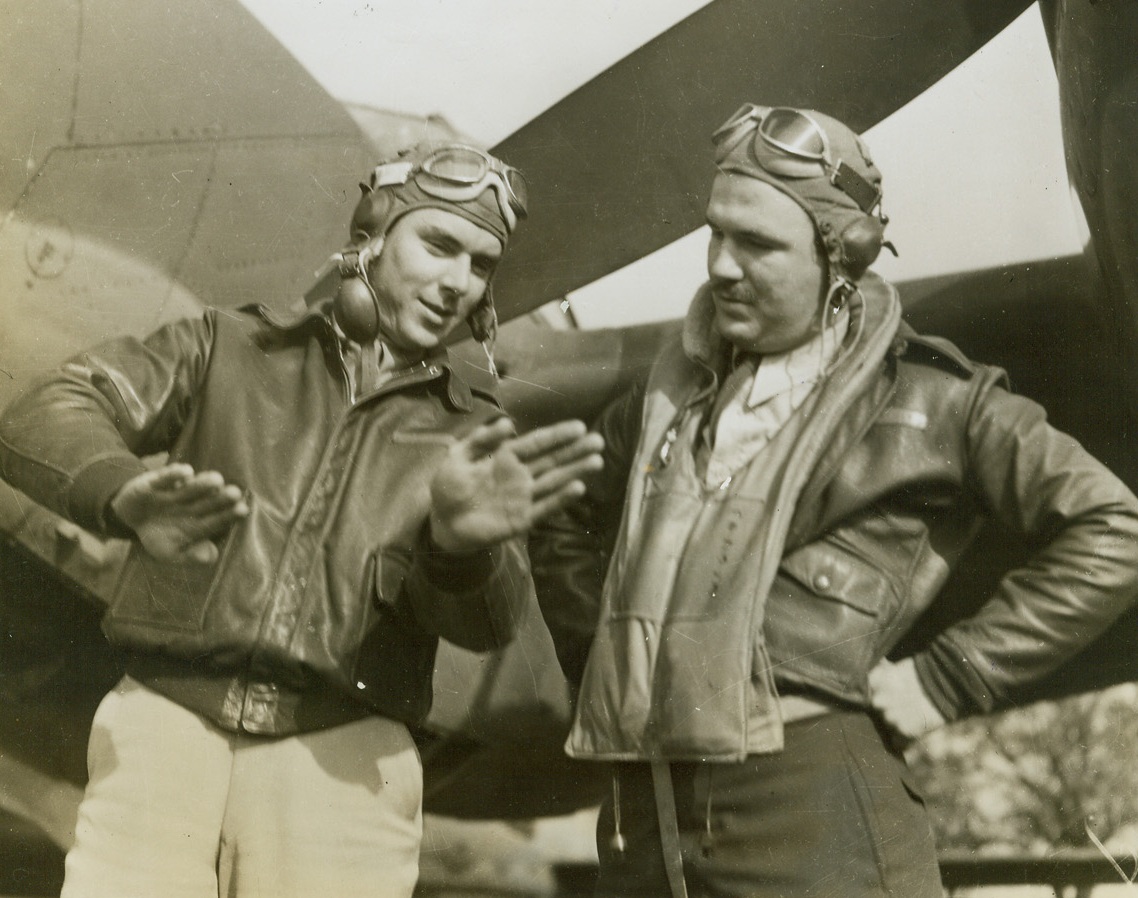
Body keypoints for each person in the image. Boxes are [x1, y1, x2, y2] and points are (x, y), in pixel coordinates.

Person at [530, 104, 1138, 898]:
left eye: (756, 244)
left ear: (839, 257)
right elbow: (555, 506)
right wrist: (604, 650)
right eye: (715, 234)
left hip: (811, 810)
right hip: (643, 820)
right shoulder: (665, 397)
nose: (719, 265)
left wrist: (951, 678)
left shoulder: (938, 400)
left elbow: (1113, 527)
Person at [0, 141, 603, 898]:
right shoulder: (225, 346)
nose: (456, 282)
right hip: (163, 733)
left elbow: (489, 624)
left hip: (342, 769)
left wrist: (459, 548)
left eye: (480, 264)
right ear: (373, 238)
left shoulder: (470, 433)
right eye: (439, 244)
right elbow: (51, 404)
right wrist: (121, 492)